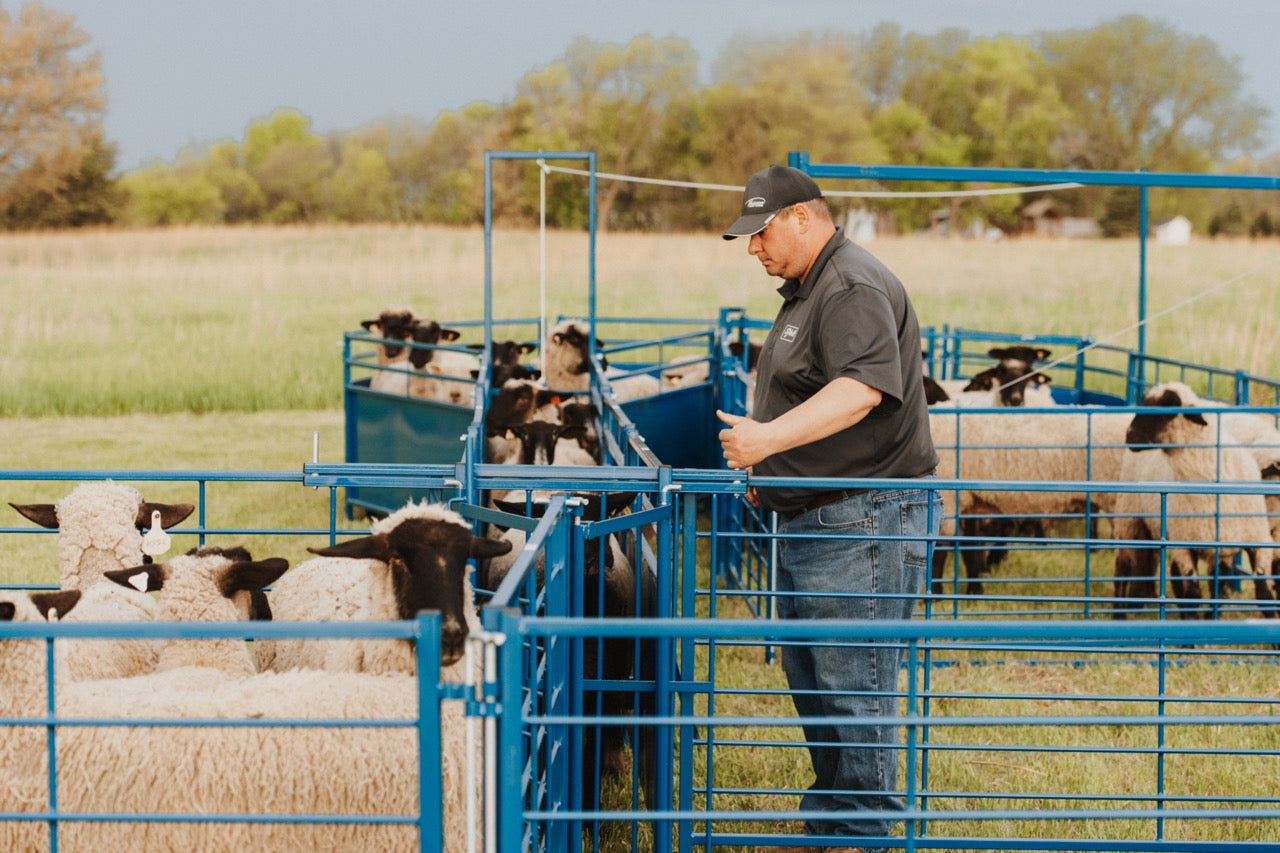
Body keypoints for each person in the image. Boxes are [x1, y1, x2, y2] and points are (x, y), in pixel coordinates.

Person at [716, 164, 941, 853]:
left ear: (802, 218)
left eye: (761, 233)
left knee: (855, 683)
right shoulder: (806, 290)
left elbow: (861, 391)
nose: (753, 248)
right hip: (817, 518)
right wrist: (772, 469)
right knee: (816, 679)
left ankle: (863, 835)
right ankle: (833, 823)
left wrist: (766, 441)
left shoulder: (849, 286)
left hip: (861, 519)